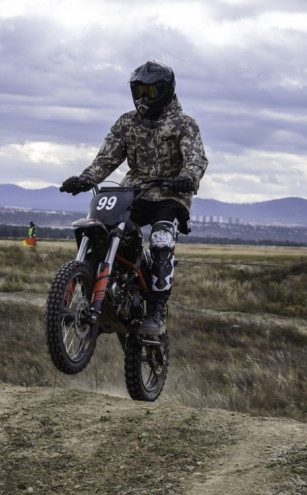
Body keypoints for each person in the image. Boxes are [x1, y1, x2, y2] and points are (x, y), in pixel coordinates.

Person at [60, 60, 208, 336]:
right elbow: (107, 157)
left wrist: (188, 177)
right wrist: (85, 178)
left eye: (149, 92)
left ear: (165, 92)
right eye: (138, 91)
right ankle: (94, 282)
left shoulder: (184, 124)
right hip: (133, 191)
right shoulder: (127, 122)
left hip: (170, 194)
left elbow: (196, 158)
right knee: (101, 226)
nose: (142, 98)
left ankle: (156, 310)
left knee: (162, 237)